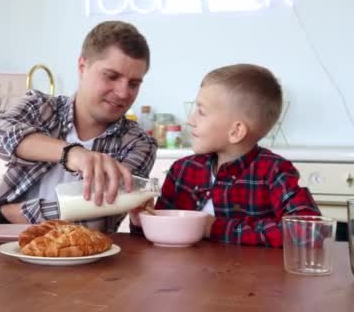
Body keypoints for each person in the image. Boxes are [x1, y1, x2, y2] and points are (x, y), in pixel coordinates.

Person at [0, 21, 157, 233]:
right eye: (111, 76)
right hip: (2, 244)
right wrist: (71, 153)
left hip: (79, 258)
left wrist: (5, 214)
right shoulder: (41, 108)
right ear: (82, 67)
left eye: (134, 83)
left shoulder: (138, 144)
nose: (124, 93)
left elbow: (93, 216)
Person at [137, 64, 320, 247]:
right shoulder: (182, 170)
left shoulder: (275, 171)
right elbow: (158, 237)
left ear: (236, 131)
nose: (190, 120)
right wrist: (143, 220)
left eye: (201, 112)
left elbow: (309, 230)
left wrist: (215, 228)